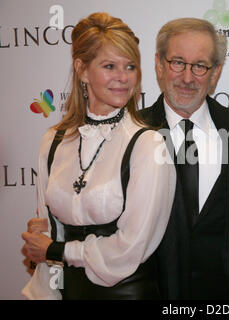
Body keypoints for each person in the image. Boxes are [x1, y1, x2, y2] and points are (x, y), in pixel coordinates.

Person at [21, 12, 176, 300]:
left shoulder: (149, 145)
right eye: (109, 66)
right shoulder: (53, 142)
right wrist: (41, 242)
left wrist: (55, 250)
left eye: (130, 66)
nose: (123, 78)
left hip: (127, 294)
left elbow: (132, 246)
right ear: (82, 69)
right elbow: (46, 231)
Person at [139, 18, 229, 299]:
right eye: (178, 62)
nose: (188, 78)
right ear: (158, 64)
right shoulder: (133, 134)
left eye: (199, 66)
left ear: (215, 73)